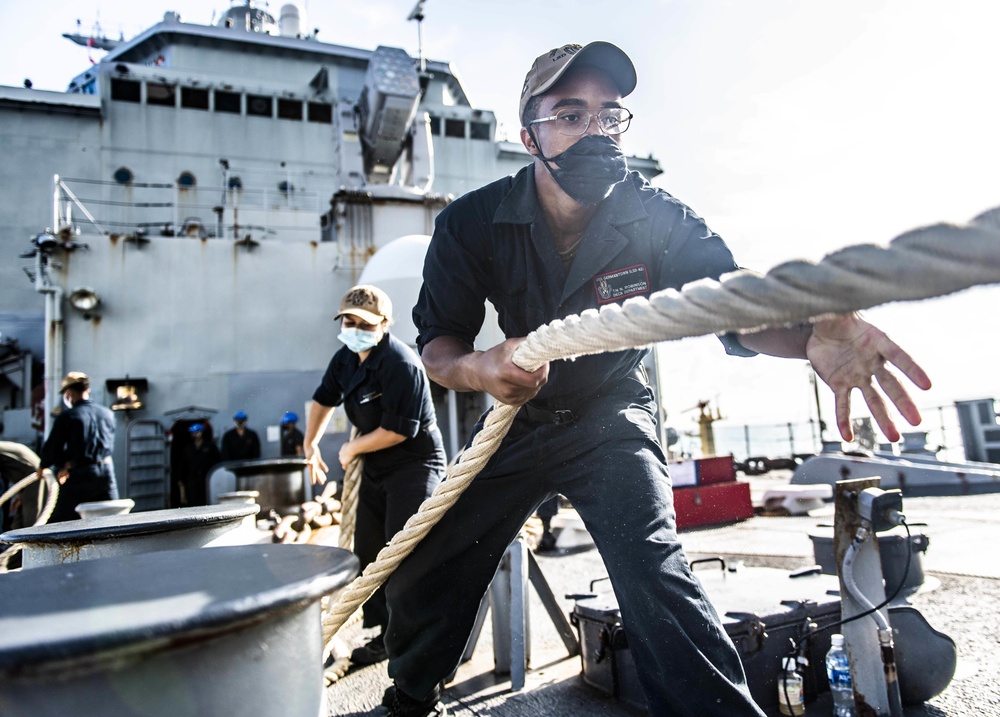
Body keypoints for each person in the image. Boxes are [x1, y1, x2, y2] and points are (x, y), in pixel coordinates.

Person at [377, 42, 931, 717]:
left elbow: (731, 306)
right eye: (572, 114)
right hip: (517, 415)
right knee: (428, 561)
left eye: (610, 116)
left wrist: (807, 337)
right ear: (529, 137)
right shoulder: (470, 223)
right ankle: (406, 700)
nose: (597, 131)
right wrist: (483, 368)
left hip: (610, 415)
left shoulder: (657, 217)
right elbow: (438, 348)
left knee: (655, 578)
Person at [304, 284, 446, 667]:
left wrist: (351, 448)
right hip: (376, 467)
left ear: (384, 323)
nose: (353, 328)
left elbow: (400, 430)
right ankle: (385, 635)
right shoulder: (345, 360)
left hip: (414, 464)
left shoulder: (401, 363)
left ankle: (416, 639)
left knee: (400, 553)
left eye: (363, 323)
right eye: (348, 321)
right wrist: (310, 444)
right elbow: (322, 400)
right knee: (368, 553)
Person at [38, 372, 118, 523]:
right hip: (107, 473)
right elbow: (94, 445)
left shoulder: (68, 416)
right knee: (111, 519)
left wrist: (48, 465)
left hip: (80, 474)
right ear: (87, 390)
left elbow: (52, 450)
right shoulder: (107, 414)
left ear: (68, 393)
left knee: (62, 521)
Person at [0, 441, 42, 532]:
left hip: (35, 476)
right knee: (17, 524)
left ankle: (30, 544)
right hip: (25, 480)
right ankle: (17, 545)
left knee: (30, 522)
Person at [178, 423, 220, 507]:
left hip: (206, 479)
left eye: (197, 432)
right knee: (193, 503)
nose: (195, 435)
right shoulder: (188, 449)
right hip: (192, 481)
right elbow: (183, 467)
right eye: (193, 433)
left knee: (206, 501)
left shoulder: (210, 446)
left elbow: (217, 462)